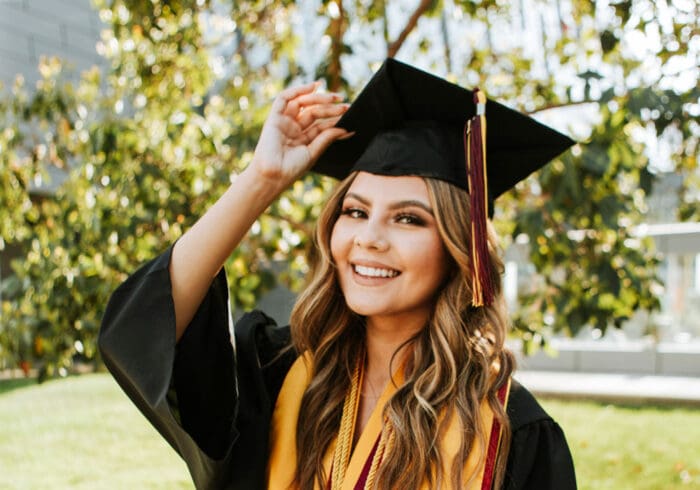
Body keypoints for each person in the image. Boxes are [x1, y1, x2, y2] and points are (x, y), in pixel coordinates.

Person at [99, 58, 577, 490]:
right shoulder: (280, 373)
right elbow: (141, 329)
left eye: (408, 218)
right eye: (355, 211)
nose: (369, 238)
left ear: (461, 249)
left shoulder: (512, 432)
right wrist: (262, 179)